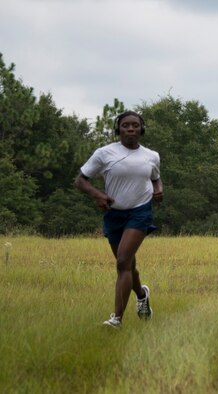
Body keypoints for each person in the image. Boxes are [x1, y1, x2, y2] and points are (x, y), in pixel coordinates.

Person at [75, 111, 163, 328]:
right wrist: (98, 195)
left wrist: (158, 191)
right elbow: (80, 180)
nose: (130, 129)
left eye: (135, 125)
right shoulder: (104, 153)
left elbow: (156, 179)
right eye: (125, 125)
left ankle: (116, 319)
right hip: (114, 213)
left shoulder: (151, 155)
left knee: (122, 261)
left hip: (140, 212)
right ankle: (142, 295)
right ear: (118, 129)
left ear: (141, 129)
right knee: (128, 265)